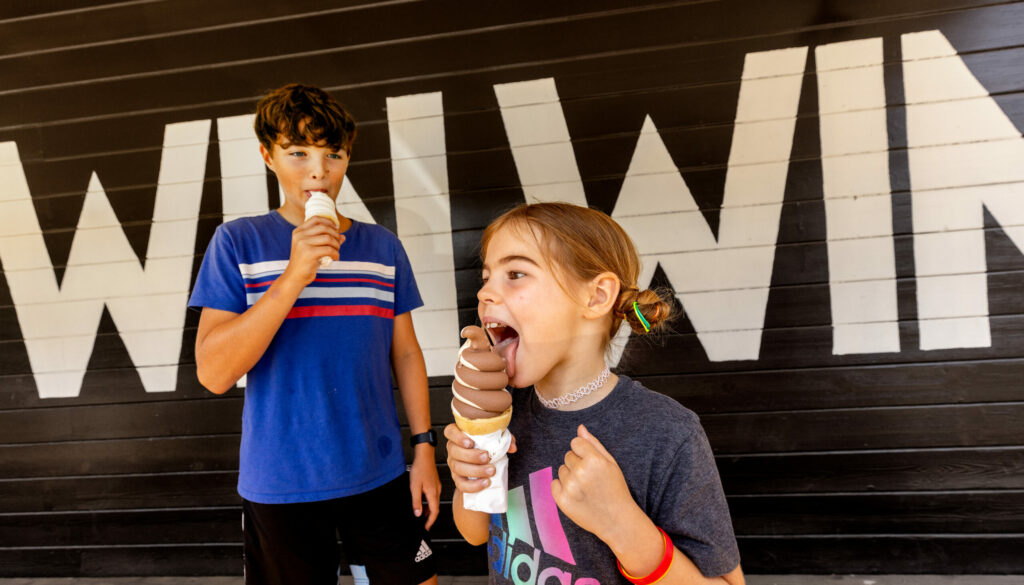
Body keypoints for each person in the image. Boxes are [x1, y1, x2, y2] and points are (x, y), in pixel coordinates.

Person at [188, 83, 440, 585]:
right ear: (268, 156)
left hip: (380, 471)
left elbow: (407, 354)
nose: (318, 171)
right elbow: (214, 374)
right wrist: (294, 275)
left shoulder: (380, 246)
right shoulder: (237, 241)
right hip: (281, 483)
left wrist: (425, 451)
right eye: (297, 152)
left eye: (333, 154)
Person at [444, 202, 744, 584]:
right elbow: (475, 532)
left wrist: (623, 525)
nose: (485, 292)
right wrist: (470, 481)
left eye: (515, 273)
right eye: (486, 277)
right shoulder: (503, 413)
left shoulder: (668, 433)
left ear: (598, 296)